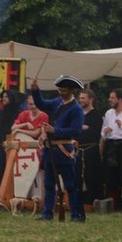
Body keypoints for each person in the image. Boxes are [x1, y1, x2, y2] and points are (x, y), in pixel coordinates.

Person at [31, 75, 86, 222]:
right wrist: (35, 91)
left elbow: (76, 131)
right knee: (49, 184)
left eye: (64, 89)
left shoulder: (76, 109)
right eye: (60, 89)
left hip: (64, 150)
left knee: (70, 185)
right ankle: (47, 213)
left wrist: (55, 130)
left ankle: (75, 215)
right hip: (50, 151)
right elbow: (41, 104)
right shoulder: (56, 102)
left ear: (71, 90)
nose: (61, 92)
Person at [100, 89, 122, 210]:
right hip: (110, 145)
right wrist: (105, 132)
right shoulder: (109, 113)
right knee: (110, 175)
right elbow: (103, 131)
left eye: (112, 98)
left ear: (120, 99)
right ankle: (112, 204)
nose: (110, 100)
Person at [77, 88, 103, 207]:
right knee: (77, 176)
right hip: (78, 149)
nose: (80, 100)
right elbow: (74, 131)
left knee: (91, 176)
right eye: (80, 98)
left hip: (91, 150)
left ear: (90, 99)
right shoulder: (77, 114)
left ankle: (91, 201)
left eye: (83, 98)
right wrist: (82, 128)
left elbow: (94, 134)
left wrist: (82, 129)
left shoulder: (96, 115)